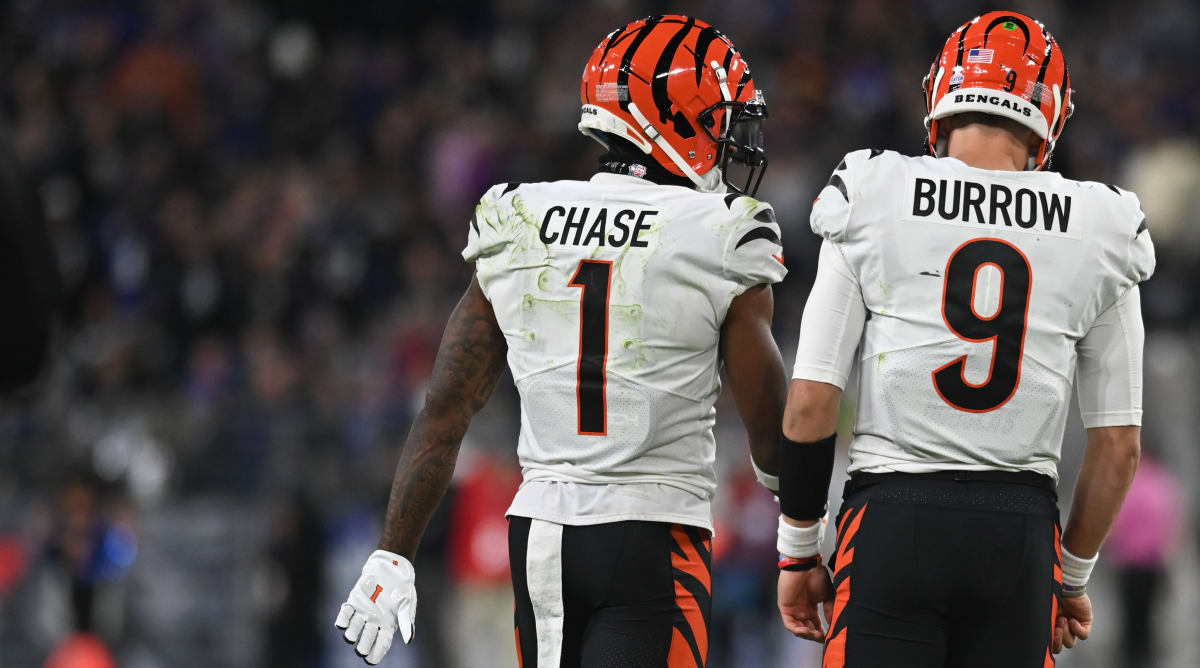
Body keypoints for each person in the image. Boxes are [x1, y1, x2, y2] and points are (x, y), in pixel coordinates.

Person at [335, 14, 790, 667]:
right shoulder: (718, 230)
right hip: (653, 533)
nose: (732, 142)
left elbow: (445, 407)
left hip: (542, 532)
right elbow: (772, 442)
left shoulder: (522, 215)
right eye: (720, 120)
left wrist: (393, 553)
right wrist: (811, 531)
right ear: (673, 118)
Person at [773, 10, 1154, 668]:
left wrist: (799, 551)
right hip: (1019, 534)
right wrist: (1069, 577)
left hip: (892, 520)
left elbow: (810, 404)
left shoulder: (874, 190)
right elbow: (1119, 445)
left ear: (942, 96)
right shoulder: (1103, 223)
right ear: (1049, 113)